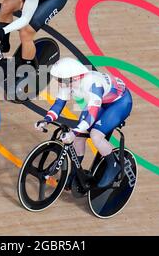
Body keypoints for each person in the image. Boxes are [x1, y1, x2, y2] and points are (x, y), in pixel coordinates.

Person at [35, 57, 133, 189]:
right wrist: (46, 120)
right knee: (78, 139)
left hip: (119, 103)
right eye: (57, 79)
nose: (59, 83)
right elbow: (58, 105)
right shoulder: (68, 82)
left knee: (95, 135)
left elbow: (91, 116)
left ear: (74, 77)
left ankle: (114, 166)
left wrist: (74, 132)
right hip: (101, 101)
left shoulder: (92, 85)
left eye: (60, 79)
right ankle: (74, 174)